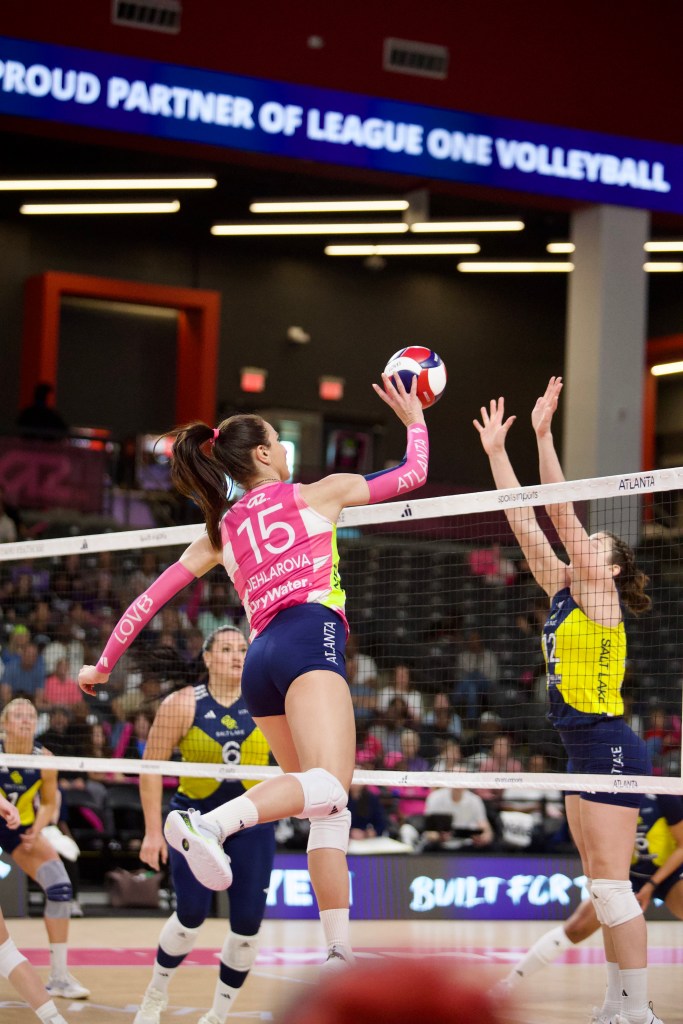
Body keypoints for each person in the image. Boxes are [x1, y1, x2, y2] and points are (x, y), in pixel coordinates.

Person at [79, 371, 428, 968]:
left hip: (260, 659)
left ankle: (338, 949)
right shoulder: (319, 492)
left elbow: (150, 599)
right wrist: (415, 419)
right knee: (333, 784)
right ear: (264, 452)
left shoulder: (223, 527)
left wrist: (104, 663)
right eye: (279, 442)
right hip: (308, 637)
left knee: (326, 806)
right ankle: (208, 824)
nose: (287, 452)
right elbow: (412, 473)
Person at [474, 377, 660, 1024]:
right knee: (600, 886)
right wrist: (499, 453)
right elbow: (525, 520)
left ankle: (636, 1011)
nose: (583, 550)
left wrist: (545, 436)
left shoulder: (601, 596)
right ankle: (615, 1003)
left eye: (597, 548)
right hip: (579, 748)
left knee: (612, 887)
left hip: (610, 743)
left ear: (608, 568)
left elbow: (559, 513)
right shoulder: (562, 587)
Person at [134, 625, 275, 1024]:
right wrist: (151, 831)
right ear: (208, 658)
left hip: (252, 822)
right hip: (194, 823)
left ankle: (218, 1015)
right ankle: (154, 997)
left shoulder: (269, 701)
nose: (236, 655)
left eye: (243, 649)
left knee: (247, 926)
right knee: (190, 915)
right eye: (227, 649)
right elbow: (150, 769)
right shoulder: (182, 704)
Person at [496, 793, 683, 999]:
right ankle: (508, 984)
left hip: (669, 873)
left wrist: (652, 885)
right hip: (623, 874)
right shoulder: (605, 793)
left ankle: (634, 1008)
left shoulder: (662, 795)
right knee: (576, 928)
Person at [0, 699, 89, 1000]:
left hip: (20, 830)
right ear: (4, 724)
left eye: (31, 716)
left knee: (60, 887)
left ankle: (60, 977)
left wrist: (36, 829)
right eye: (18, 715)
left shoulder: (45, 759)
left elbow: (49, 802)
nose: (26, 720)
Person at [0, 792, 71, 1024]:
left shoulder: (44, 759)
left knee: (4, 953)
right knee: (4, 953)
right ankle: (54, 1020)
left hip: (24, 831)